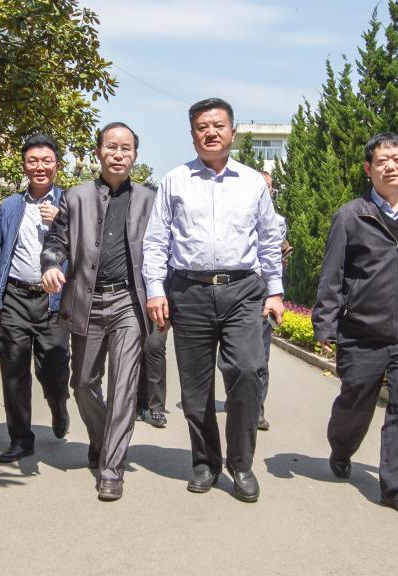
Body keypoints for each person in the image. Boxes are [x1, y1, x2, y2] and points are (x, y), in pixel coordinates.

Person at [143, 98, 285, 503]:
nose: (211, 133)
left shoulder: (252, 182)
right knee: (195, 386)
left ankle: (241, 463)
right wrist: (156, 289)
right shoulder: (175, 181)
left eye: (218, 125)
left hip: (243, 290)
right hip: (189, 291)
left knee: (247, 370)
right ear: (193, 136)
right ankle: (205, 462)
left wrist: (275, 290)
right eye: (202, 127)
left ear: (232, 132)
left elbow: (269, 239)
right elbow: (156, 241)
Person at [311, 132, 398, 519]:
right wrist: (325, 325)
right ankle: (341, 448)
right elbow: (332, 275)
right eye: (382, 161)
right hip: (362, 333)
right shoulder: (351, 215)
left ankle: (397, 488)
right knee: (354, 404)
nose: (390, 166)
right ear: (368, 169)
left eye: (397, 159)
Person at [41, 122, 155, 502]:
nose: (118, 154)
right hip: (86, 301)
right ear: (98, 152)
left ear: (135, 155)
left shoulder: (150, 200)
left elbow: (162, 249)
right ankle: (104, 439)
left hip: (129, 303)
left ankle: (111, 469)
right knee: (83, 383)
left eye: (126, 148)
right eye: (111, 147)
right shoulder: (75, 197)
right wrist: (51, 264)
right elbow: (55, 240)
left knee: (123, 386)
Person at [0, 134, 71, 464]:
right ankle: (21, 439)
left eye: (46, 161)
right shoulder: (11, 205)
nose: (40, 166)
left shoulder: (70, 202)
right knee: (13, 369)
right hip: (15, 296)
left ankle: (58, 403)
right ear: (25, 165)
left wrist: (61, 222)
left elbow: (86, 247)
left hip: (54, 301)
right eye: (33, 161)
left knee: (54, 370)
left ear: (56, 165)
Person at [257, 170, 292, 431]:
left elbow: (280, 254)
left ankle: (256, 409)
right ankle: (240, 395)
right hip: (235, 293)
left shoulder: (279, 222)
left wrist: (275, 291)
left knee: (261, 357)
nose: (265, 190)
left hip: (264, 295)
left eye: (268, 187)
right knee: (233, 361)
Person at [136, 325, 168, 428]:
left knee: (154, 346)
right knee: (137, 348)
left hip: (159, 316)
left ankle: (157, 408)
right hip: (134, 314)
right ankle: (139, 403)